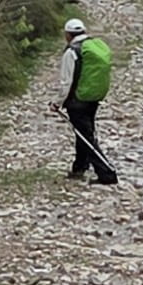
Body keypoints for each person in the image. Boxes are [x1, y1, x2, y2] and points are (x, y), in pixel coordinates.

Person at [59, 16, 118, 184]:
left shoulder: (72, 51)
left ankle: (107, 173)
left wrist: (57, 103)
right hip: (93, 98)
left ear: (68, 35)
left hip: (78, 100)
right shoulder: (93, 45)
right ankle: (79, 167)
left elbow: (66, 81)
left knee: (86, 137)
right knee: (83, 132)